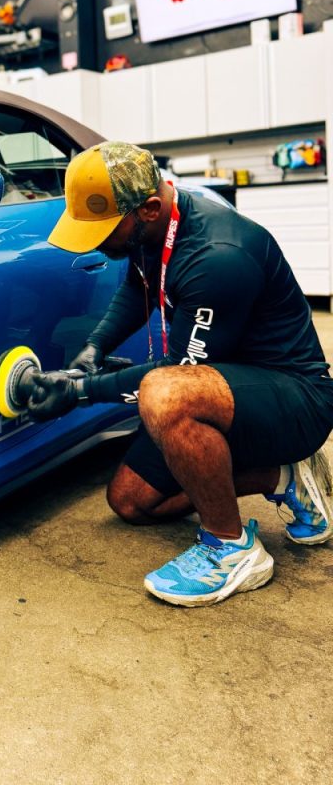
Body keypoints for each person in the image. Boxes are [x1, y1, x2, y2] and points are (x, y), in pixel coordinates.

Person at [26, 141, 333, 607]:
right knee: (131, 502)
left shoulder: (217, 255)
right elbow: (138, 287)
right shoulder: (155, 227)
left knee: (165, 394)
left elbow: (178, 373)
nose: (95, 241)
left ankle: (232, 549)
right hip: (225, 384)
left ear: (148, 208)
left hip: (293, 396)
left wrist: (80, 391)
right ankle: (283, 478)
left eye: (105, 229)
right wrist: (94, 349)